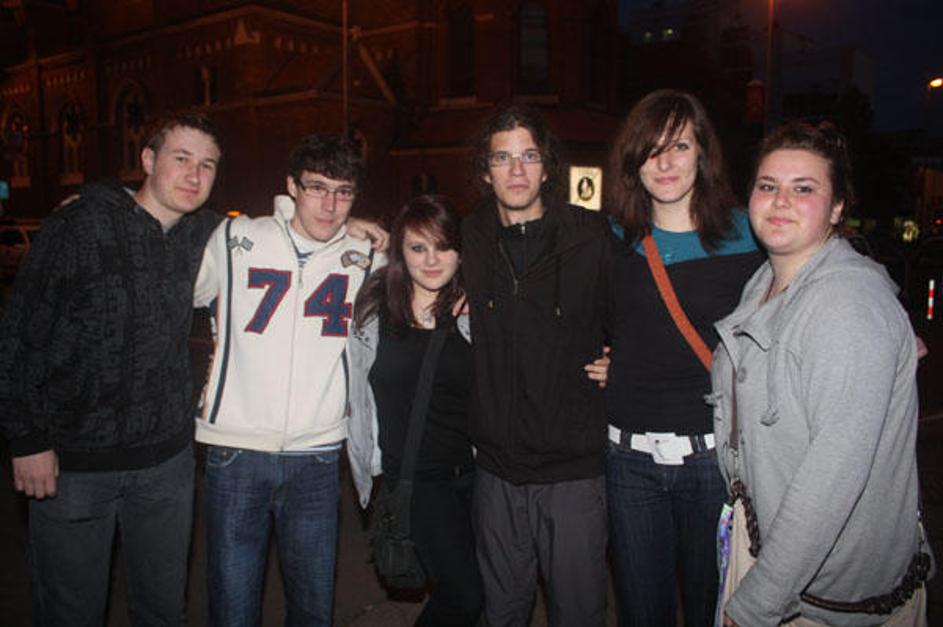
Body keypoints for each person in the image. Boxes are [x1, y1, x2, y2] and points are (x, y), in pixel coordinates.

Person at [0, 113, 222, 625]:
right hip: (75, 465)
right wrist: (27, 439)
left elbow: (280, 228)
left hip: (166, 464)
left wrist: (353, 226)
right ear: (147, 160)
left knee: (163, 609)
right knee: (70, 612)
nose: (194, 175)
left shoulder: (203, 234)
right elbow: (20, 334)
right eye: (181, 158)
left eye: (207, 165)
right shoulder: (79, 226)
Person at [713, 121, 929, 626]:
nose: (781, 201)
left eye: (804, 189)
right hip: (772, 553)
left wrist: (756, 605)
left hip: (825, 594)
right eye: (768, 185)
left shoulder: (848, 305)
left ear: (836, 209)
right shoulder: (765, 281)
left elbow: (831, 481)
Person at [193, 133, 381, 626]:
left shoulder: (366, 259)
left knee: (313, 607)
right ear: (292, 187)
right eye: (317, 188)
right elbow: (168, 282)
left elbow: (430, 280)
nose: (330, 205)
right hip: (235, 451)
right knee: (233, 608)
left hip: (317, 456)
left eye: (344, 193)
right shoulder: (235, 239)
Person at [603, 89, 764, 627]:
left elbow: (821, 261)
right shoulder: (611, 239)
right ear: (634, 162)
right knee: (640, 613)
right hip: (628, 461)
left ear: (702, 152)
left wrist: (881, 307)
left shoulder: (748, 234)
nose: (665, 162)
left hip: (712, 462)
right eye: (651, 150)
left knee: (712, 610)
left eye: (679, 146)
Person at [461, 103, 614, 626]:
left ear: (547, 167)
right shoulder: (469, 239)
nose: (516, 171)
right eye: (502, 158)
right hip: (496, 472)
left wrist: (624, 362)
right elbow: (408, 253)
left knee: (578, 613)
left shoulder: (590, 237)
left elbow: (640, 315)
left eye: (528, 156)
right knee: (502, 612)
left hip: (572, 472)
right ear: (485, 171)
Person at [347, 195, 483, 626]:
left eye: (443, 246)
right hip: (417, 480)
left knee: (475, 592)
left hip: (476, 475)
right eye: (418, 247)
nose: (431, 260)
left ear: (460, 251)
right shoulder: (374, 311)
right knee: (464, 598)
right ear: (400, 252)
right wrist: (347, 222)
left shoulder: (474, 311)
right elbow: (314, 237)